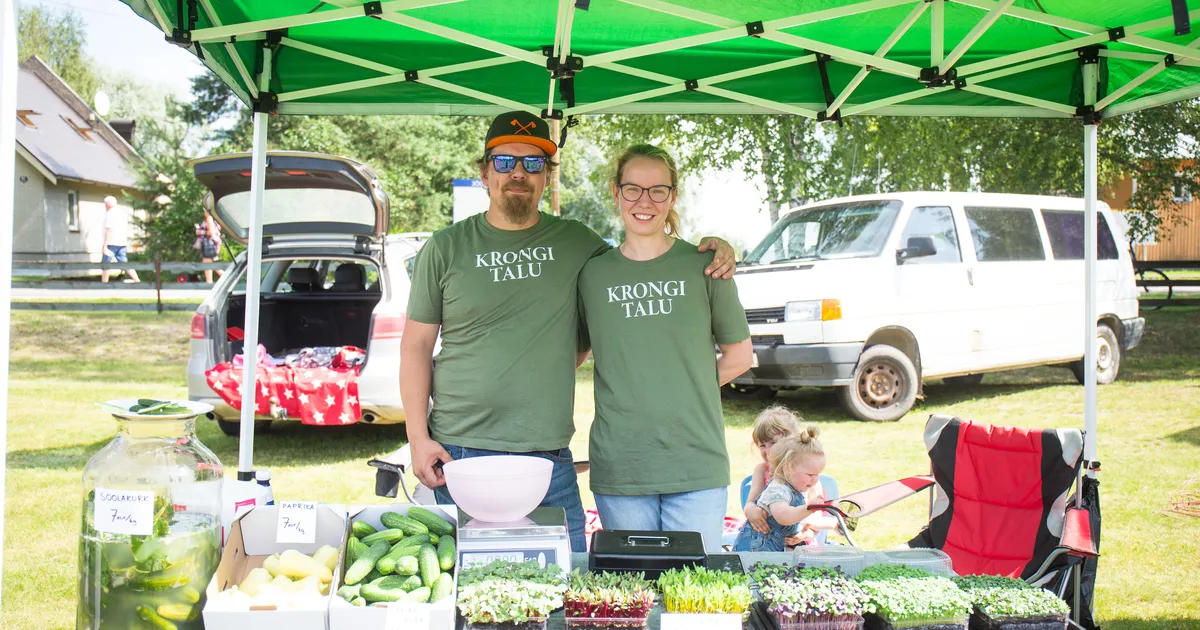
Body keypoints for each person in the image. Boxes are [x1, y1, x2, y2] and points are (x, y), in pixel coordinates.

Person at [400, 112, 737, 551]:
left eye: (533, 164)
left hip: (548, 455)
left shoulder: (579, 244)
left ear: (546, 177)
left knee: (567, 582)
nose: (518, 174)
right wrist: (417, 439)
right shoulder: (445, 247)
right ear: (484, 172)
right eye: (505, 162)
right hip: (459, 449)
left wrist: (715, 250)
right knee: (468, 581)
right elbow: (415, 348)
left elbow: (643, 250)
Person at [577, 143, 753, 553]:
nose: (645, 201)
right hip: (622, 464)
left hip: (694, 461)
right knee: (634, 595)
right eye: (633, 189)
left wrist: (681, 389)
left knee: (691, 597)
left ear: (672, 197)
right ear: (616, 193)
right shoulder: (591, 273)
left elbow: (740, 356)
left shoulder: (707, 265)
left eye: (658, 190)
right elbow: (574, 352)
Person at [732, 428, 827, 552]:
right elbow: (784, 516)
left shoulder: (799, 487)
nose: (815, 480)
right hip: (755, 549)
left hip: (775, 548)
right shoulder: (778, 488)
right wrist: (809, 508)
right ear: (788, 468)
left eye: (817, 474)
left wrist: (836, 523)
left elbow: (808, 522)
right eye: (810, 475)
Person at [742, 406, 802, 539]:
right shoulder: (762, 470)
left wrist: (809, 533)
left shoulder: (805, 471)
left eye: (774, 442)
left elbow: (816, 511)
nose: (768, 450)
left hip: (800, 540)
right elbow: (749, 503)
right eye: (762, 445)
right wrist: (750, 510)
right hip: (768, 539)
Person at [100, 196, 140, 284]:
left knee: (106, 263)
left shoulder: (110, 214)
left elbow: (109, 230)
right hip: (121, 242)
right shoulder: (121, 213)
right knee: (124, 262)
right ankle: (137, 280)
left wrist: (105, 245)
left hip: (111, 243)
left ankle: (104, 284)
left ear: (107, 204)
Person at [195, 210, 224, 283]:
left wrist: (200, 232)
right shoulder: (214, 219)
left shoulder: (209, 218)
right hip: (212, 244)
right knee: (212, 265)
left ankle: (209, 283)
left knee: (208, 265)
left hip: (209, 245)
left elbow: (211, 232)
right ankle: (228, 279)